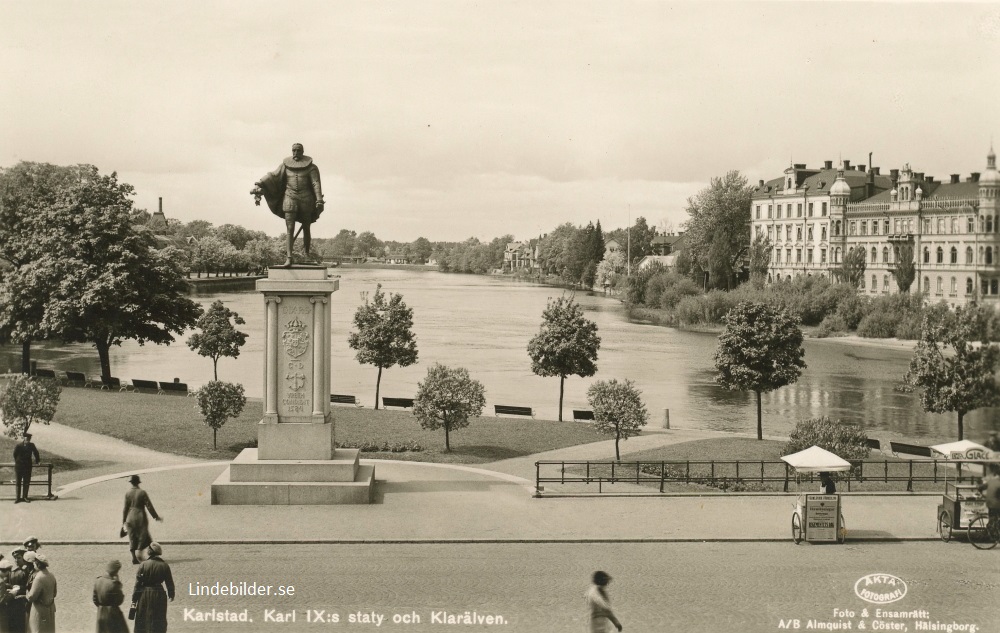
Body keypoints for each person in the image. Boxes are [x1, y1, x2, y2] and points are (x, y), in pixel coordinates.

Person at [252, 142, 325, 267]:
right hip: (289, 198)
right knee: (289, 229)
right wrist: (259, 183)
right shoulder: (285, 166)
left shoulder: (312, 167)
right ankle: (289, 258)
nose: (296, 153)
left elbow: (315, 183)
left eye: (298, 150)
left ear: (302, 152)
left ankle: (306, 254)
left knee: (306, 227)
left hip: (306, 200)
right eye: (294, 150)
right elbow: (272, 176)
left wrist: (319, 199)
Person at [132, 543, 174, 633]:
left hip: (145, 593)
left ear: (150, 552)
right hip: (159, 593)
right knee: (158, 617)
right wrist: (171, 594)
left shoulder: (143, 565)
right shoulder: (164, 565)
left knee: (143, 616)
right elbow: (169, 582)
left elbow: (138, 584)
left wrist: (134, 599)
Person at [122, 475, 163, 565]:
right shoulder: (142, 492)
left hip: (130, 517)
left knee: (132, 537)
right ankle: (140, 554)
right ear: (138, 483)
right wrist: (156, 517)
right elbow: (149, 506)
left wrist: (124, 521)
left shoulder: (127, 493)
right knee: (143, 536)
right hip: (140, 517)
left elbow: (125, 509)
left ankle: (134, 558)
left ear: (131, 483)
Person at [94, 560, 128, 633]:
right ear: (116, 572)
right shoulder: (114, 584)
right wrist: (119, 584)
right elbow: (119, 600)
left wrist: (101, 606)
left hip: (101, 612)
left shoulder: (98, 580)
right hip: (112, 613)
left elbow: (95, 599)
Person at [23, 553, 54, 633]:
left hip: (39, 610)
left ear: (37, 564)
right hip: (50, 609)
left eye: (35, 562)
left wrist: (26, 593)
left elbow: (31, 597)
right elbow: (55, 593)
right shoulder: (51, 576)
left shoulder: (38, 578)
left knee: (37, 629)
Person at [12, 434, 40, 504]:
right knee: (18, 482)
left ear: (30, 439)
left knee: (26, 482)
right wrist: (18, 461)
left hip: (27, 466)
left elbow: (36, 453)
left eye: (29, 438)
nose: (27, 439)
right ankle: (17, 498)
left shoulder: (31, 445)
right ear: (23, 438)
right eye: (26, 438)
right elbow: (15, 454)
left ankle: (25, 497)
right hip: (19, 467)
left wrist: (38, 461)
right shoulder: (19, 446)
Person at [8, 549, 29, 633]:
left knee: (22, 625)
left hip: (23, 602)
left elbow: (30, 587)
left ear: (24, 558)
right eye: (15, 558)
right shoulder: (12, 571)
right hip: (12, 602)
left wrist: (19, 588)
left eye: (19, 558)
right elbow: (10, 583)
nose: (16, 560)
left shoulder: (27, 572)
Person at [1, 558, 18, 633]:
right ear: (6, 571)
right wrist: (12, 593)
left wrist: (7, 588)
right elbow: (2, 600)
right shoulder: (1, 582)